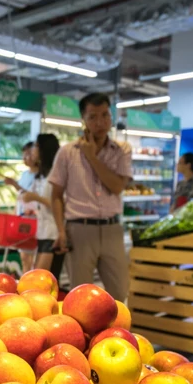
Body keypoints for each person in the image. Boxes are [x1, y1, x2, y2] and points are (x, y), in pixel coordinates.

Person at [49, 93, 132, 302]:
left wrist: (92, 157)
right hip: (79, 230)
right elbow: (56, 195)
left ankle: (118, 335)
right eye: (93, 117)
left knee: (119, 294)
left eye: (105, 115)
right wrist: (60, 230)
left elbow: (117, 187)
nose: (100, 122)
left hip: (112, 230)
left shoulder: (121, 151)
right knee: (80, 298)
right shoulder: (67, 153)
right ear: (83, 120)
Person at [15, 134, 65, 279]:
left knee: (39, 279)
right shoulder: (40, 175)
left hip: (53, 232)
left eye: (36, 146)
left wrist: (36, 198)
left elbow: (60, 205)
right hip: (43, 231)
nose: (32, 151)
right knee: (39, 278)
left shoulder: (56, 175)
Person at [5, 141, 38, 273]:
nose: (26, 158)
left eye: (29, 154)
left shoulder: (42, 176)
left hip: (34, 221)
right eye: (24, 155)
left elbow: (31, 195)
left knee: (33, 258)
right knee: (24, 257)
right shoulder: (25, 174)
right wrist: (14, 215)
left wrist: (15, 184)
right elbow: (20, 197)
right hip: (22, 220)